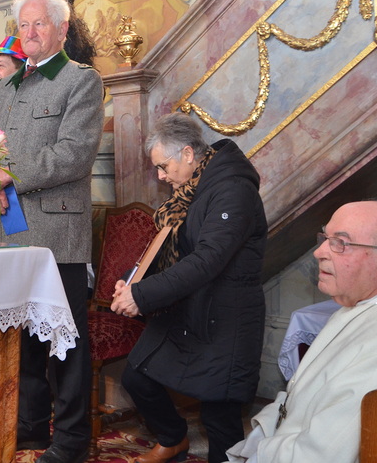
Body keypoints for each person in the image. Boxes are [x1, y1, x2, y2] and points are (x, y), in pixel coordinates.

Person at [0, 0, 104, 463]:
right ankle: (29, 428)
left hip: (54, 235)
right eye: (23, 25)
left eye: (39, 24)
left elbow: (74, 153)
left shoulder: (81, 81)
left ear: (62, 30)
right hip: (4, 228)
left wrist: (12, 173)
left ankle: (71, 440)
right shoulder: (6, 85)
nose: (29, 33)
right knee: (22, 336)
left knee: (63, 341)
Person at [225, 201, 377, 463]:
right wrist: (255, 443)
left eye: (340, 243)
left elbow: (322, 455)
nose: (319, 252)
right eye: (325, 238)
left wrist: (257, 455)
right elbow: (297, 396)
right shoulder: (365, 304)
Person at [110, 112, 266, 463]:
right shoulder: (192, 189)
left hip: (225, 314)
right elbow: (172, 250)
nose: (161, 177)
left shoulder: (233, 190)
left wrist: (142, 296)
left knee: (219, 414)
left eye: (163, 167)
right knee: (137, 376)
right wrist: (134, 282)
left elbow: (208, 259)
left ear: (187, 154)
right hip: (189, 303)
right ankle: (173, 438)